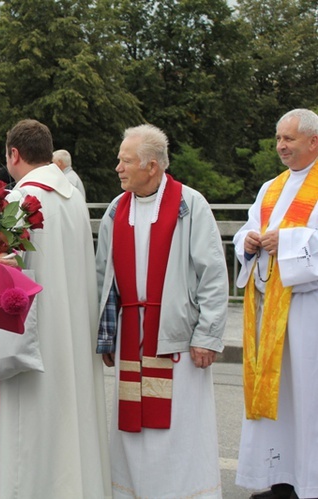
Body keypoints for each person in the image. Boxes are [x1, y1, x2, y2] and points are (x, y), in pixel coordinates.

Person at [96, 124, 227, 498]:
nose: (118, 168)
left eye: (125, 161)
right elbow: (102, 276)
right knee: (132, 431)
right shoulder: (115, 210)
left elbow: (214, 275)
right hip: (131, 335)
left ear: (151, 166)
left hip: (177, 340)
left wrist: (207, 334)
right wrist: (105, 335)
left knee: (177, 428)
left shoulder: (190, 205)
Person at [0, 119, 111, 498]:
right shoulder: (72, 196)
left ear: (14, 154)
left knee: (28, 428)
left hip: (38, 334)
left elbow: (6, 272)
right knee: (70, 420)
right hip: (72, 325)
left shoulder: (20, 200)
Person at [234, 108, 318, 499]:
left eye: (289, 139)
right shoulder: (271, 186)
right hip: (271, 312)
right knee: (278, 397)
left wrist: (283, 242)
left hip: (308, 312)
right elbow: (250, 226)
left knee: (306, 397)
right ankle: (280, 479)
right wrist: (247, 242)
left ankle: (309, 481)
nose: (281, 146)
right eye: (279, 139)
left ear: (313, 141)